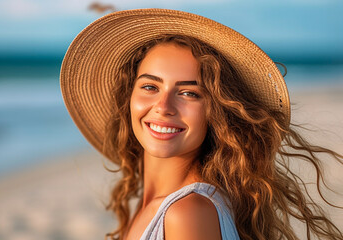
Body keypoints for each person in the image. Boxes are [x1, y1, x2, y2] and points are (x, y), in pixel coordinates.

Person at [60, 9, 343, 240]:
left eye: (189, 93)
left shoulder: (187, 214)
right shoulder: (166, 203)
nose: (163, 107)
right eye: (150, 86)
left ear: (217, 111)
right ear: (128, 96)